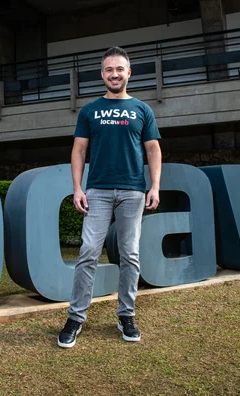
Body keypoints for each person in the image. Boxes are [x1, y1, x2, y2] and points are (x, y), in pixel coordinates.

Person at [57, 46, 162, 348]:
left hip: (132, 191)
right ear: (102, 74)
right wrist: (78, 188)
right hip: (98, 191)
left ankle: (125, 315)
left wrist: (154, 186)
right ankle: (76, 318)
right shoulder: (89, 110)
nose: (114, 74)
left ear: (129, 73)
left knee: (130, 254)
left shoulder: (142, 110)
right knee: (88, 252)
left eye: (119, 69)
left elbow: (153, 149)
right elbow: (78, 150)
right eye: (108, 70)